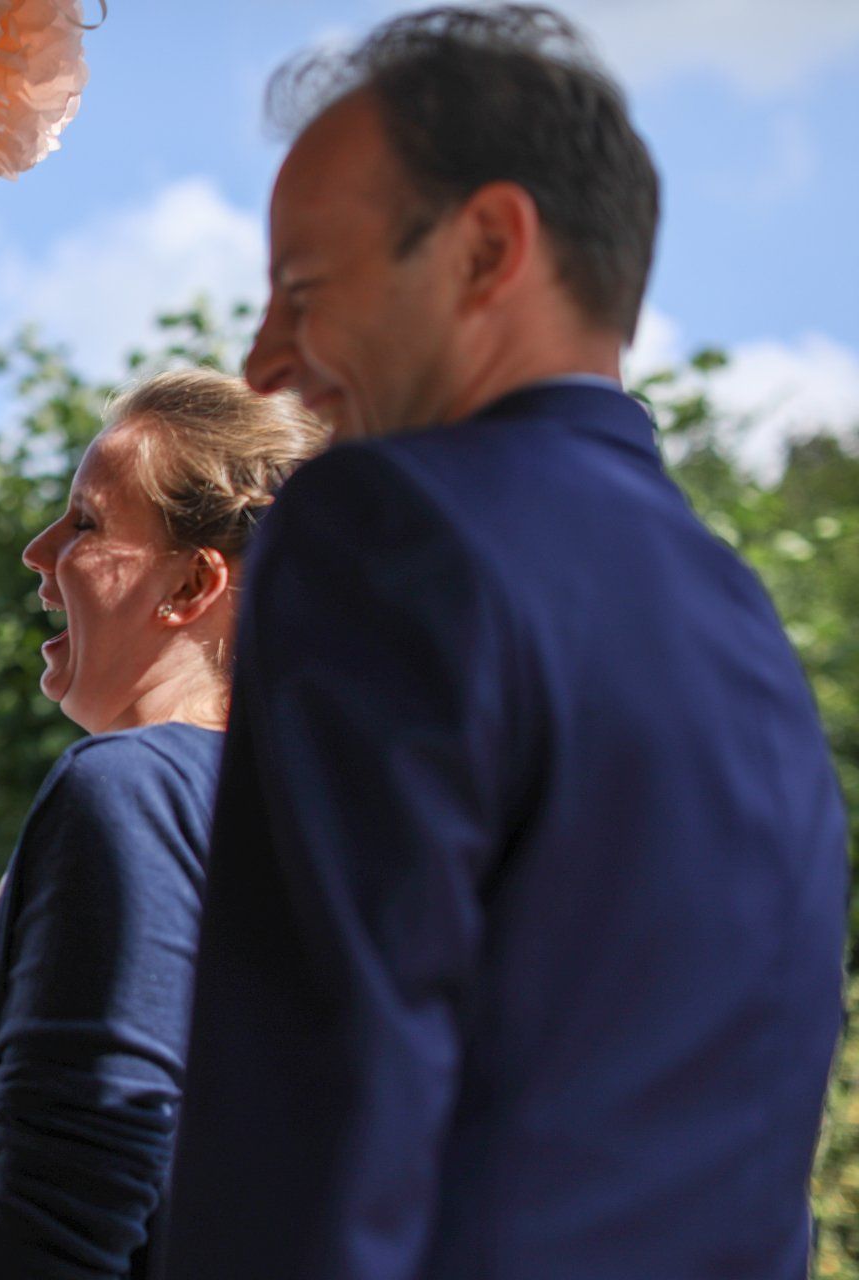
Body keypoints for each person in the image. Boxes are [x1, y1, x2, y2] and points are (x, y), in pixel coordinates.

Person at [160, 9, 850, 1279]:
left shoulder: (381, 525)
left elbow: (311, 1117)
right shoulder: (740, 616)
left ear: (486, 248)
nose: (264, 358)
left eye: (303, 290)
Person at [0, 369, 326, 1280]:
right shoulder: (312, 804)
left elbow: (70, 1206)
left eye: (84, 523)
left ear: (190, 581)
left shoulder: (132, 791)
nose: (37, 552)